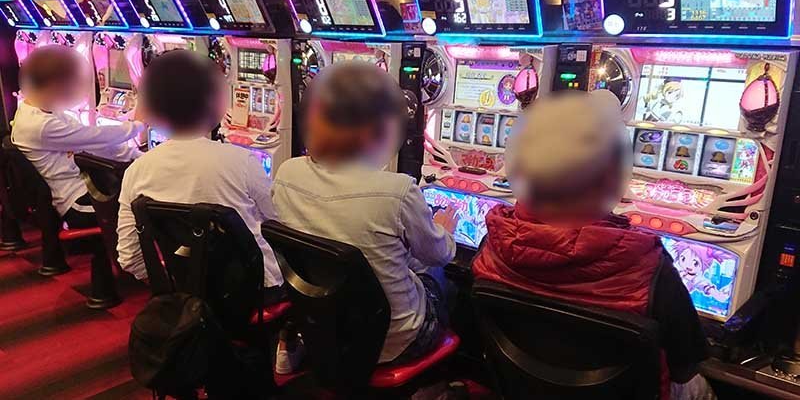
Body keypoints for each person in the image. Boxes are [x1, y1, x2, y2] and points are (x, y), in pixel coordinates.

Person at [472, 90, 715, 399]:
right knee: (700, 387)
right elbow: (685, 363)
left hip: (524, 390)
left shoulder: (495, 240)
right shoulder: (647, 265)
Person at [271, 62, 458, 365]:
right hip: (394, 341)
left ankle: (297, 340)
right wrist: (444, 229)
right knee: (442, 275)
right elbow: (440, 254)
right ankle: (455, 375)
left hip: (324, 325)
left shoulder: (287, 172)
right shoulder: (397, 190)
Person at [115, 50, 283, 292]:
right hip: (255, 290)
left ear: (150, 107)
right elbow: (278, 223)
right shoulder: (242, 162)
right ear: (216, 103)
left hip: (182, 288)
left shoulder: (136, 171)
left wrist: (174, 284)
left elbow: (129, 257)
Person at [11, 45, 143, 228]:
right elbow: (94, 137)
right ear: (55, 85)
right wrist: (138, 125)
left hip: (84, 187)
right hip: (76, 203)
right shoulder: (40, 125)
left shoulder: (40, 109)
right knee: (140, 205)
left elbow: (93, 143)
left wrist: (139, 157)